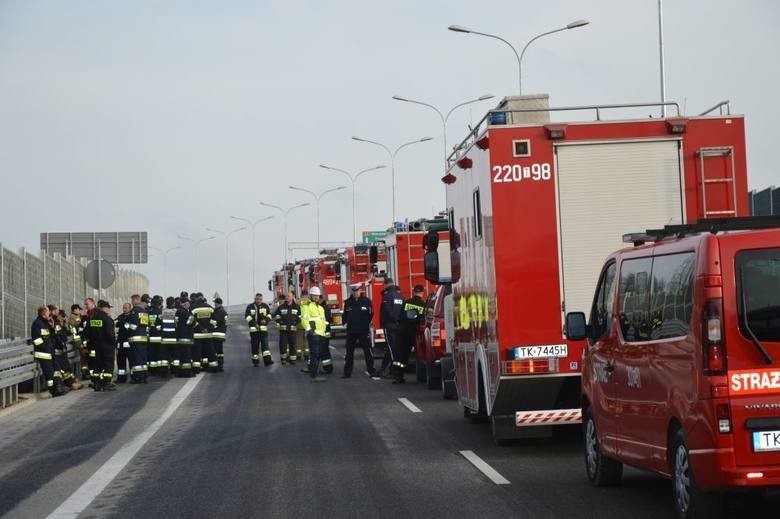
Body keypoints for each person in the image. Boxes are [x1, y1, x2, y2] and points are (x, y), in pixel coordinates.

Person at [393, 285, 427, 384]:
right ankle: (417, 375)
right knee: (411, 355)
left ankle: (397, 375)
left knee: (399, 355)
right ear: (422, 292)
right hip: (412, 333)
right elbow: (422, 321)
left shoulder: (407, 302)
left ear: (413, 292)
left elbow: (400, 317)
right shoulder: (423, 305)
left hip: (401, 331)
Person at [341, 283, 375, 379]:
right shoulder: (347, 302)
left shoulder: (366, 301)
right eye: (354, 291)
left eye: (358, 291)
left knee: (368, 352)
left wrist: (365, 323)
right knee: (349, 353)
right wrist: (345, 323)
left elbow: (371, 314)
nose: (356, 293)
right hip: (351, 331)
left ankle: (371, 370)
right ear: (352, 292)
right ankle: (347, 373)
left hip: (363, 331)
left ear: (360, 291)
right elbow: (345, 315)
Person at [31, 306, 64, 397]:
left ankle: (58, 387)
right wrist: (45, 348)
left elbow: (51, 336)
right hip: (43, 354)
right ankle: (53, 391)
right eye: (48, 312)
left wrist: (52, 326)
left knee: (56, 370)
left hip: (50, 352)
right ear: (43, 313)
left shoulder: (45, 323)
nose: (49, 314)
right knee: (49, 374)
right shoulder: (37, 324)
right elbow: (36, 339)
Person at [86, 300, 117, 392]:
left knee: (97, 365)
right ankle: (107, 383)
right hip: (107, 345)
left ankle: (97, 384)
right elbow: (110, 334)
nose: (109, 310)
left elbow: (87, 333)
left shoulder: (92, 319)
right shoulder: (108, 319)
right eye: (108, 308)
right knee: (108, 365)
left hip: (95, 345)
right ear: (104, 308)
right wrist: (115, 343)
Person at [377, 277, 403, 378]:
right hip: (398, 325)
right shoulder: (399, 295)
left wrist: (394, 319)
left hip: (390, 325)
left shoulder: (387, 295)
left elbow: (387, 311)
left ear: (386, 284)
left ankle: (394, 370)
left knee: (392, 348)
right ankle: (383, 368)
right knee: (391, 348)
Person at [300, 286, 328, 382]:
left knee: (318, 354)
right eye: (314, 295)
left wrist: (325, 332)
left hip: (321, 335)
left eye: (317, 295)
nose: (316, 297)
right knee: (314, 354)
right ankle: (314, 375)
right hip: (313, 334)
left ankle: (314, 372)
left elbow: (323, 321)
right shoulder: (306, 306)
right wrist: (309, 330)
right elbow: (304, 319)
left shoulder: (320, 307)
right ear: (310, 295)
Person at [245, 293, 273, 367]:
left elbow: (269, 315)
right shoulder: (250, 307)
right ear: (255, 299)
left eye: (260, 299)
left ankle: (267, 361)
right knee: (255, 346)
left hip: (263, 330)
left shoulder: (265, 306)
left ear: (262, 299)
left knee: (265, 346)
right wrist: (254, 324)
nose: (259, 301)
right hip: (254, 331)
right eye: (257, 299)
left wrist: (266, 320)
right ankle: (255, 361)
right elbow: (247, 317)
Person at [191, 293, 217, 372]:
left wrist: (200, 328)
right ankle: (213, 367)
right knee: (210, 351)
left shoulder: (193, 308)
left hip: (198, 335)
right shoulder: (210, 308)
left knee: (197, 352)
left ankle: (196, 369)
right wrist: (208, 329)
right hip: (208, 334)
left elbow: (191, 321)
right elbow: (214, 321)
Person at [127, 294, 150, 383]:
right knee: (143, 358)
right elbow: (146, 326)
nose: (132, 302)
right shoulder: (144, 311)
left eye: (133, 300)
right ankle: (144, 375)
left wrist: (128, 329)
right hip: (143, 337)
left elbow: (134, 326)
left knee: (136, 359)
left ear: (136, 300)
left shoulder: (135, 311)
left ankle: (138, 377)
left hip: (135, 338)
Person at [273, 292, 300, 365]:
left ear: (292, 297)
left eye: (288, 296)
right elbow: (276, 316)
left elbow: (300, 317)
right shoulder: (281, 307)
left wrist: (296, 323)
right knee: (283, 345)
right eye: (286, 296)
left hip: (292, 329)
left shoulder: (297, 307)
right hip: (283, 330)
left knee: (293, 345)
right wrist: (280, 321)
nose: (287, 297)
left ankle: (293, 359)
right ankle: (283, 359)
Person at [175, 297, 195, 377]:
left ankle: (181, 372)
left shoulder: (178, 312)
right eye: (188, 303)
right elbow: (192, 320)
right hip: (186, 337)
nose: (189, 304)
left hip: (180, 336)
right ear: (184, 304)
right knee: (186, 355)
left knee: (182, 356)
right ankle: (186, 372)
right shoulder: (184, 312)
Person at [115, 303, 133, 383]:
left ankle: (133, 377)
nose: (124, 309)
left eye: (126, 308)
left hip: (129, 343)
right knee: (120, 361)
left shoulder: (132, 316)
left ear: (130, 308)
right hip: (121, 343)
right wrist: (123, 322)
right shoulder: (121, 316)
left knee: (132, 361)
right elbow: (116, 323)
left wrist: (122, 323)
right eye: (123, 308)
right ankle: (121, 378)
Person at [160, 296, 178, 377]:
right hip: (173, 336)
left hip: (164, 337)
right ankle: (174, 370)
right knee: (174, 355)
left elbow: (159, 322)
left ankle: (164, 372)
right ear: (173, 303)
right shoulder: (175, 311)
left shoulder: (163, 311)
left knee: (164, 355)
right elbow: (178, 323)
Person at [147, 295, 164, 376]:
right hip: (160, 337)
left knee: (152, 355)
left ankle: (152, 370)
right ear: (160, 303)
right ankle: (160, 370)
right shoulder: (162, 312)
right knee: (160, 355)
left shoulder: (148, 312)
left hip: (151, 337)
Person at [211, 297, 228, 371]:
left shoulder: (218, 311)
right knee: (220, 351)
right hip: (221, 334)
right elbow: (226, 323)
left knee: (215, 351)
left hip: (216, 333)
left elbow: (214, 322)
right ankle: (221, 365)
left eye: (215, 303)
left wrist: (210, 323)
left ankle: (217, 366)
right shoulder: (224, 312)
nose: (214, 304)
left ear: (218, 303)